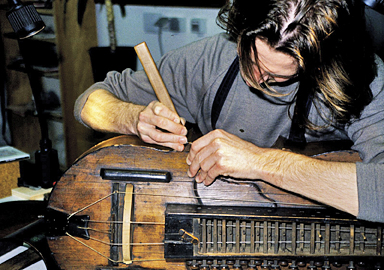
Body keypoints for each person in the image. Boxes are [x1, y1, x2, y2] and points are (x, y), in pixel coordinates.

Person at [74, 0, 384, 223]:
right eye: (251, 59)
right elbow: (90, 102)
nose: (258, 80)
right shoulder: (210, 59)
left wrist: (260, 162)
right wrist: (133, 118)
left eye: (279, 76)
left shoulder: (362, 78)